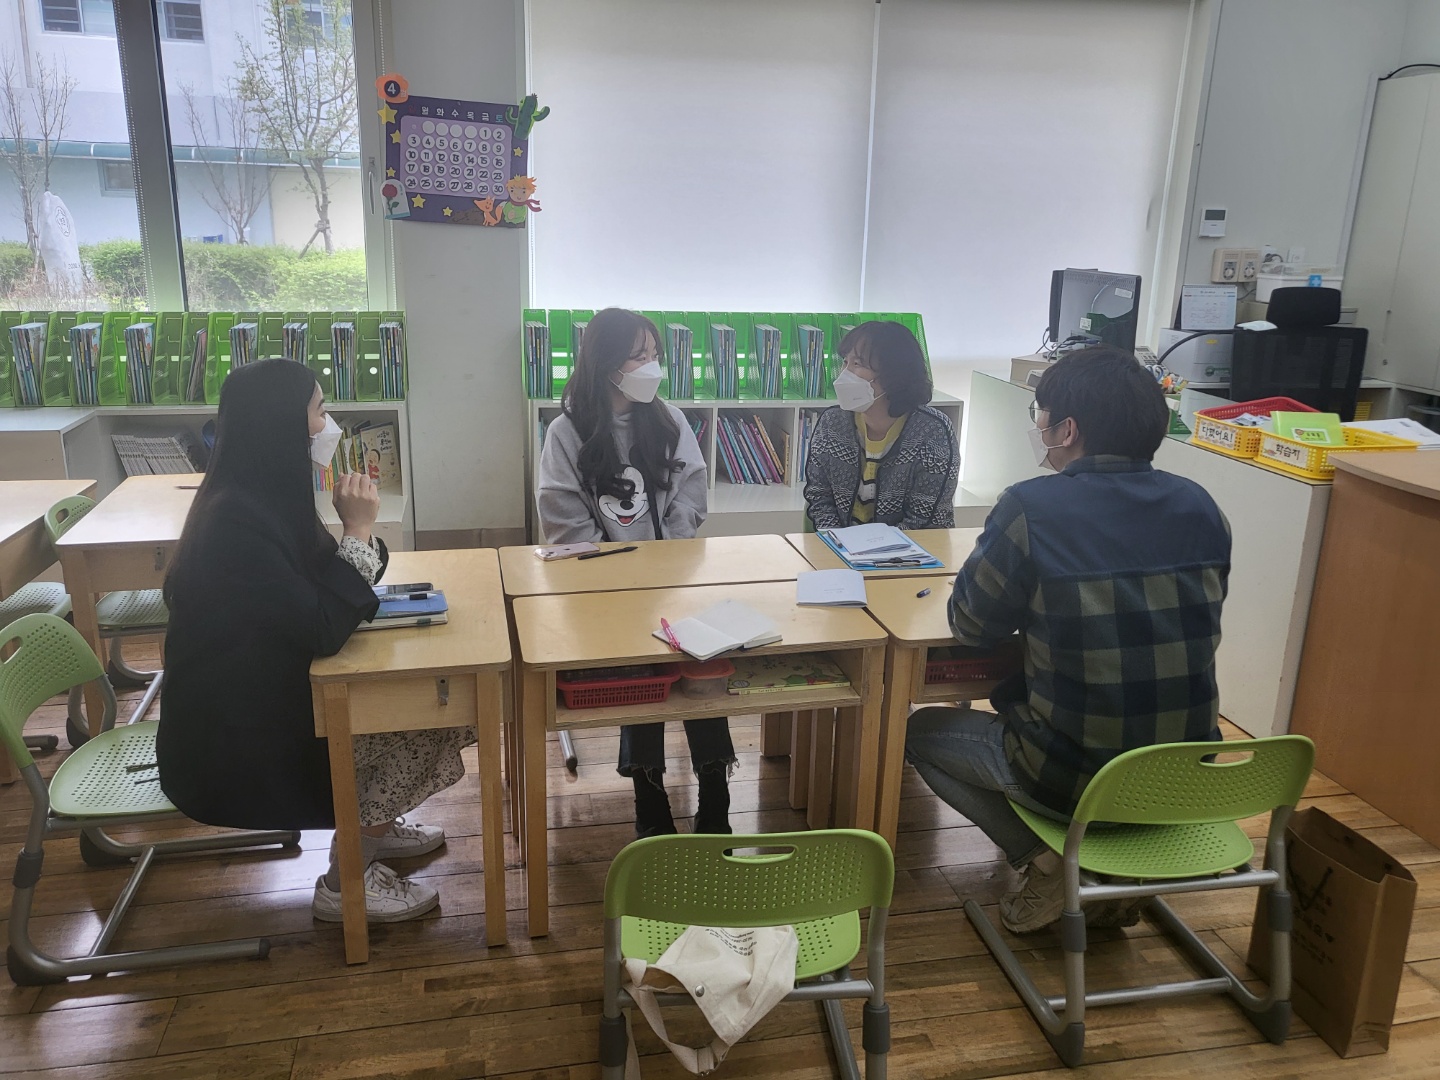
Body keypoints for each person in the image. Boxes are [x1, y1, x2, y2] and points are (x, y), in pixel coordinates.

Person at [904, 346, 1231, 933]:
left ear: (1068, 430)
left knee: (919, 732)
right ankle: (1114, 870)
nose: (1039, 428)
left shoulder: (1032, 506)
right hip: (1184, 774)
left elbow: (972, 628)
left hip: (1075, 774)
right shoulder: (1201, 505)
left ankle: (1047, 863)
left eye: (1042, 416)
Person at [157, 359, 474, 924]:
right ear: (283, 425)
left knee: (439, 698)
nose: (329, 424)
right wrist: (357, 530)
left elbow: (329, 584)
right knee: (431, 711)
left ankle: (372, 826)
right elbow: (324, 627)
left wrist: (358, 535)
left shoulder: (259, 496)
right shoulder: (237, 526)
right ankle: (346, 878)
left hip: (270, 706)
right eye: (320, 410)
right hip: (239, 746)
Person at [536, 306, 733, 839]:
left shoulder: (667, 419)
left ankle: (716, 788)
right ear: (605, 365)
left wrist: (666, 554)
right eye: (638, 355)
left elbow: (692, 491)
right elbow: (563, 518)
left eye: (654, 354)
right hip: (605, 589)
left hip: (674, 579)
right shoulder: (567, 432)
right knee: (643, 672)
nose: (652, 365)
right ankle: (648, 793)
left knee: (701, 667)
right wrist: (622, 569)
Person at [803, 320, 959, 530]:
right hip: (840, 544)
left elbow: (923, 519)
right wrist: (838, 540)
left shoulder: (933, 431)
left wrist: (879, 548)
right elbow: (819, 496)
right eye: (845, 362)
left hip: (910, 547)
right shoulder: (832, 422)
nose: (844, 374)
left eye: (857, 364)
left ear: (893, 375)